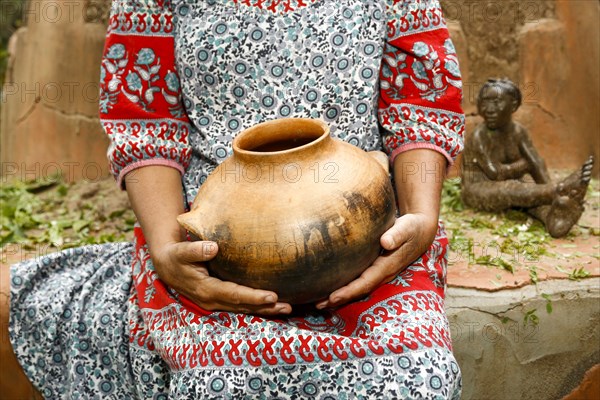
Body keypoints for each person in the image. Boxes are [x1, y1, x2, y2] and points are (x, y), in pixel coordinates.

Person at [2, 0, 465, 398]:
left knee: (416, 375)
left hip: (367, 239)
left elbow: (421, 102)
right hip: (215, 250)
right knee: (217, 381)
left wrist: (420, 217)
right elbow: (145, 120)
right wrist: (168, 252)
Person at [461, 78, 594, 238]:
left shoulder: (518, 131)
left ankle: (554, 222)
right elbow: (496, 174)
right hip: (478, 189)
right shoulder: (479, 136)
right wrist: (526, 166)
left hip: (513, 186)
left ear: (514, 105)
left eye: (496, 102)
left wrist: (546, 189)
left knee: (530, 195)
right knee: (514, 190)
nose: (489, 109)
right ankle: (560, 189)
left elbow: (536, 163)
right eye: (484, 102)